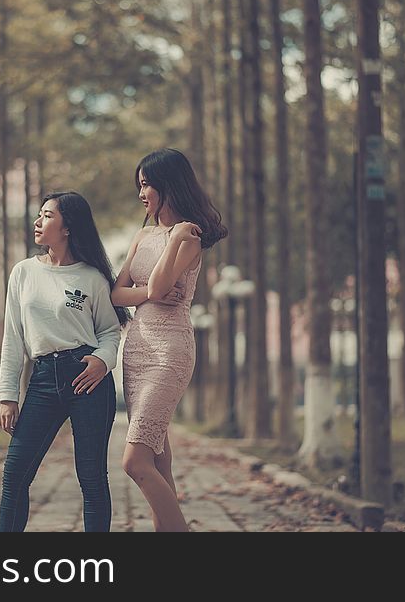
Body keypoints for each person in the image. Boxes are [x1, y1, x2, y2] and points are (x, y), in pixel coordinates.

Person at [0, 191, 129, 532]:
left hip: (88, 378)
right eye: (39, 215)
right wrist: (8, 395)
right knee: (14, 475)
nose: (38, 222)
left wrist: (102, 361)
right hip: (42, 380)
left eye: (48, 216)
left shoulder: (92, 278)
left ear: (68, 226)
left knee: (92, 479)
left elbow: (111, 331)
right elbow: (13, 337)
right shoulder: (23, 272)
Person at [112, 148, 227, 532]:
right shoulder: (143, 235)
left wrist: (175, 237)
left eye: (147, 185)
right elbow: (117, 294)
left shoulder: (189, 235)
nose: (141, 193)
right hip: (136, 351)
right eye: (139, 185)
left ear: (168, 186)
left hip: (169, 351)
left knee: (135, 461)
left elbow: (161, 285)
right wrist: (148, 292)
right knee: (159, 460)